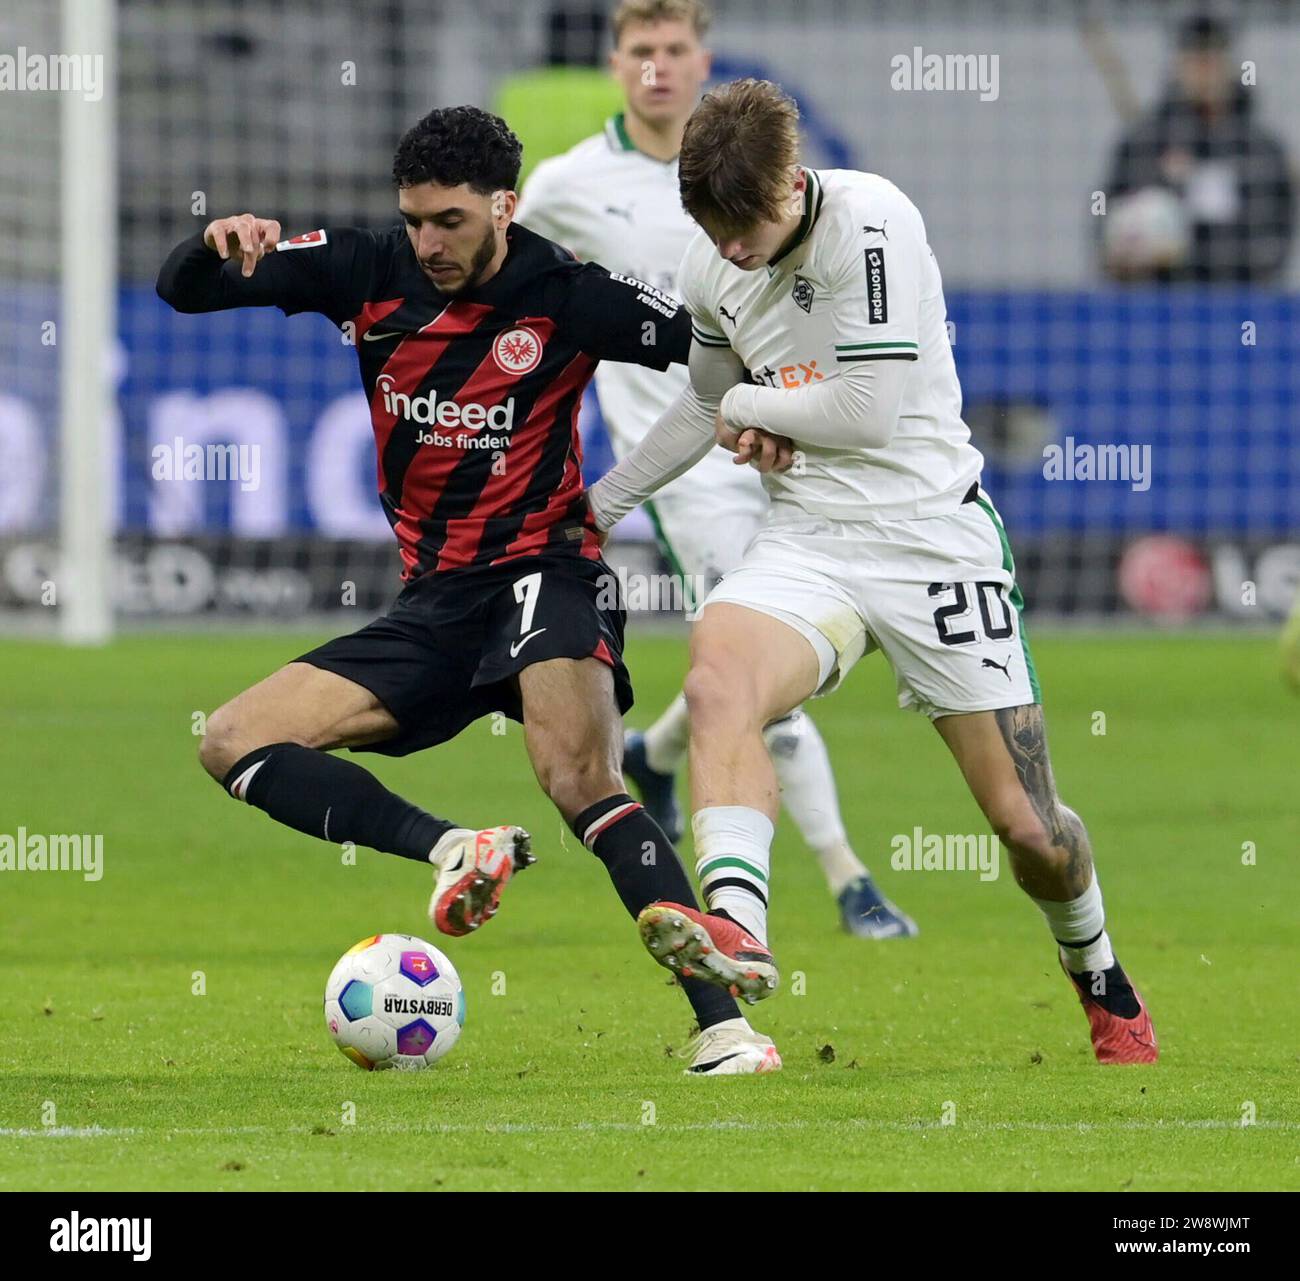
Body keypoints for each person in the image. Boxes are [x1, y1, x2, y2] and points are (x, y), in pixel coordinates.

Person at [156, 104, 779, 1075]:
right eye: (414, 219)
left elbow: (717, 362)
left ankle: (726, 1026)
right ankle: (457, 846)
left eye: (449, 220)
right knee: (231, 739)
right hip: (436, 602)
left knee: (578, 779)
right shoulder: (363, 270)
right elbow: (183, 293)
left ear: (503, 204)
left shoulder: (566, 293)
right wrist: (213, 243)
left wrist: (750, 418)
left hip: (545, 568)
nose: (428, 242)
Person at [587, 78, 1159, 1064]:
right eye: (709, 225)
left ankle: (1100, 974)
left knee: (1028, 829)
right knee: (718, 674)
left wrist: (758, 411)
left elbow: (867, 413)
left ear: (790, 182)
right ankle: (735, 926)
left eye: (744, 223)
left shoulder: (872, 220)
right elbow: (703, 403)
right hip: (811, 536)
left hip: (934, 538)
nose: (729, 247)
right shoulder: (713, 259)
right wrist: (597, 508)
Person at [517, 0, 918, 939]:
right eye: (639, 50)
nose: (657, 66)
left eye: (674, 49)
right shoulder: (571, 185)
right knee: (754, 660)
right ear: (614, 64)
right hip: (687, 462)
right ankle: (848, 876)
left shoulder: (763, 182)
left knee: (777, 666)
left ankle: (656, 750)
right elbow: (508, 281)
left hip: (793, 441)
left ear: (704, 60)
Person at [1102, 12, 1292, 282]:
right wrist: (1131, 250)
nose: (1204, 69)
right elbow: (1104, 225)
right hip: (1158, 307)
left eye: (1212, 58)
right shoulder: (1141, 145)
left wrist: (1198, 253)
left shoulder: (1262, 150)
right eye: (1195, 58)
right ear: (1179, 64)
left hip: (1239, 306)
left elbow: (1276, 242)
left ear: (1229, 64)